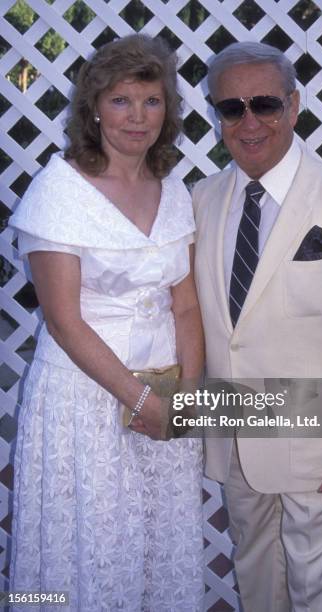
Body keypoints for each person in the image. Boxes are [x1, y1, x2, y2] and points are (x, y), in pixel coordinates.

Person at [193, 42, 322, 612]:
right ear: (217, 115)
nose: (249, 121)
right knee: (254, 573)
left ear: (294, 104)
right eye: (232, 108)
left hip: (317, 445)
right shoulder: (201, 201)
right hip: (235, 437)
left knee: (317, 590)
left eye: (265, 104)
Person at [9, 34, 204, 611]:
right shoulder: (59, 191)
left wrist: (186, 397)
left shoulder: (172, 189)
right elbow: (64, 322)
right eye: (121, 101)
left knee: (157, 542)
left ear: (167, 110)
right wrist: (141, 399)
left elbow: (186, 304)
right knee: (91, 546)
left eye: (151, 101)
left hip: (168, 394)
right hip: (88, 397)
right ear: (94, 108)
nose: (137, 117)